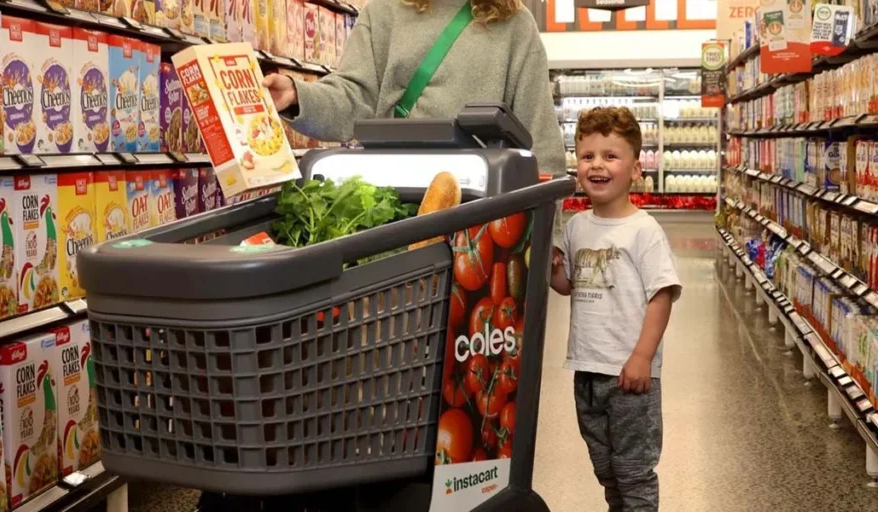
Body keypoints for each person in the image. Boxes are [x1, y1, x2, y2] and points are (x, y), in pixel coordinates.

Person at [549, 106, 681, 512]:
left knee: (634, 469)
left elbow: (662, 294)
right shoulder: (575, 227)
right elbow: (568, 287)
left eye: (610, 156)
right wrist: (550, 268)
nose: (597, 165)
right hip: (586, 369)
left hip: (629, 377)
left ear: (636, 169)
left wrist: (642, 357)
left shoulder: (644, 230)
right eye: (587, 156)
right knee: (605, 466)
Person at [261, 0, 566, 175]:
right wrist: (297, 95)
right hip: (395, 199)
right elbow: (354, 97)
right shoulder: (384, 11)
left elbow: (539, 135)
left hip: (479, 213)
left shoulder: (515, 24)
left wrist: (547, 241)